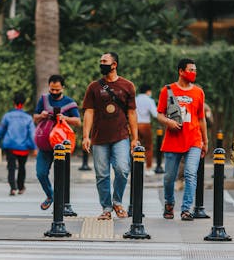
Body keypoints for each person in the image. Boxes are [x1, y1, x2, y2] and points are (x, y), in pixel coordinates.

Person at [82, 52, 138, 220]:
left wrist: (135, 138)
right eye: (100, 61)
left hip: (121, 136)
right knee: (102, 174)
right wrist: (86, 136)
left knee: (122, 169)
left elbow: (132, 113)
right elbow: (89, 112)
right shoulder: (93, 87)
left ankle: (117, 201)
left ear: (114, 65)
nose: (102, 64)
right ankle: (106, 208)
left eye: (105, 61)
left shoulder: (128, 86)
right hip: (99, 138)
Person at [156, 58, 208, 221]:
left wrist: (205, 141)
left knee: (190, 174)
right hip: (173, 140)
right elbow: (159, 114)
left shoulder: (198, 92)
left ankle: (186, 209)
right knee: (169, 177)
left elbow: (201, 119)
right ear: (181, 71)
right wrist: (169, 122)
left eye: (195, 70)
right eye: (190, 70)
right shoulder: (168, 90)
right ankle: (169, 203)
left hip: (193, 139)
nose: (194, 73)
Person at [33, 74, 81, 210]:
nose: (54, 92)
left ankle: (63, 204)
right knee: (41, 173)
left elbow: (78, 121)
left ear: (63, 88)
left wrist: (64, 117)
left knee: (61, 175)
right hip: (45, 144)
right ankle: (51, 195)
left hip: (61, 145)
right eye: (52, 89)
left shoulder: (69, 102)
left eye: (57, 90)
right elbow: (34, 118)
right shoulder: (43, 100)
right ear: (49, 87)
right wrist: (41, 115)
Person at [0, 92, 36, 196]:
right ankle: (21, 187)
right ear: (24, 103)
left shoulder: (7, 116)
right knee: (22, 167)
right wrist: (34, 147)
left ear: (13, 102)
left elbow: (0, 131)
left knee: (11, 167)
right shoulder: (28, 118)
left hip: (10, 146)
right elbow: (32, 134)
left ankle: (13, 188)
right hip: (23, 147)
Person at [136, 83, 158, 174]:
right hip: (145, 125)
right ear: (148, 91)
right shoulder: (149, 100)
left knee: (136, 146)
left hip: (135, 125)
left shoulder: (135, 99)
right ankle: (148, 168)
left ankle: (135, 167)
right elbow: (155, 114)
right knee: (148, 147)